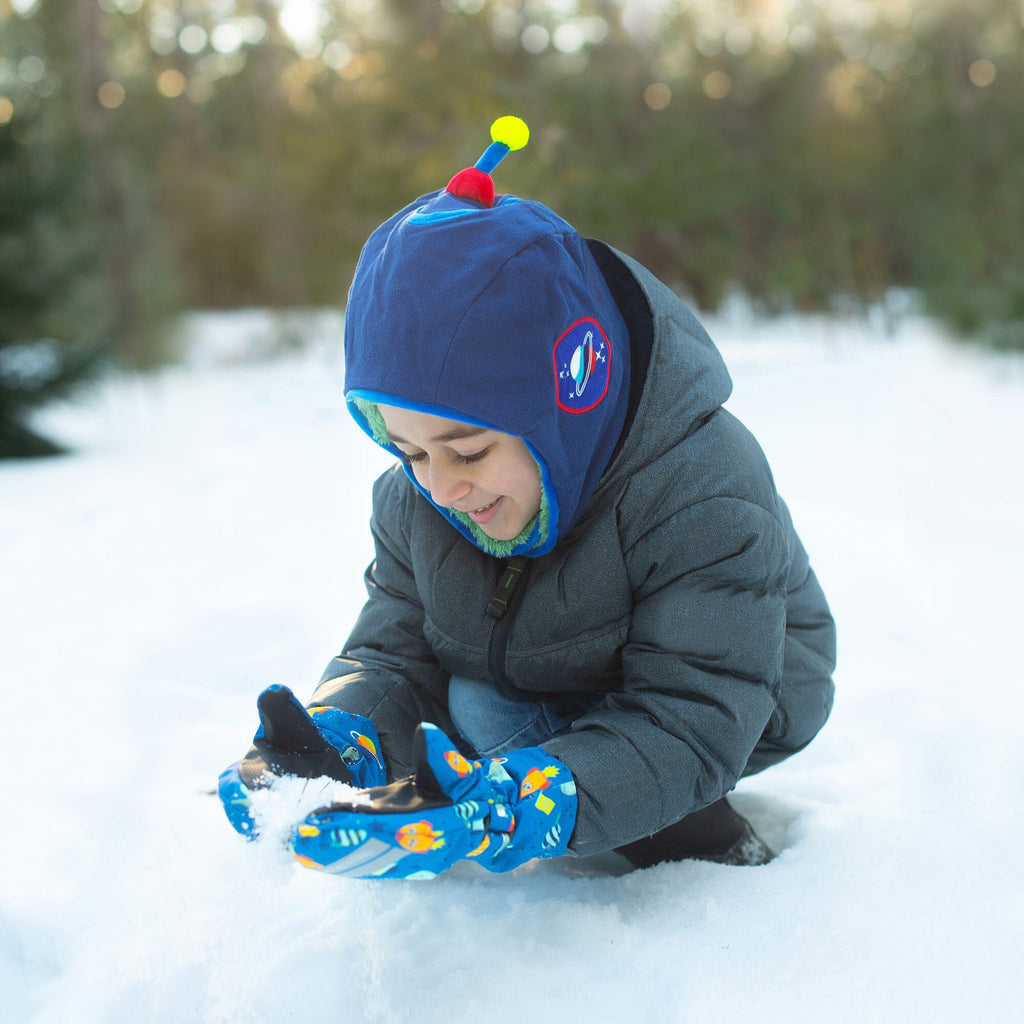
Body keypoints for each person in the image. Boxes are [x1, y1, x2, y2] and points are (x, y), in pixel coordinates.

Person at [218, 117, 836, 879]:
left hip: (742, 685)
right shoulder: (420, 498)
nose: (441, 485)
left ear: (565, 402)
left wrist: (524, 801)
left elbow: (697, 711)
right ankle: (543, 769)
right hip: (558, 658)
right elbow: (393, 645)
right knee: (476, 703)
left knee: (489, 713)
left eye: (469, 450)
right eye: (408, 451)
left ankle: (699, 834)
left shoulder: (701, 488)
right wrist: (343, 735)